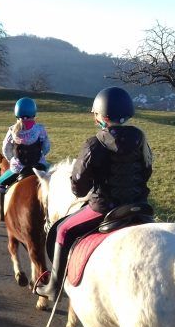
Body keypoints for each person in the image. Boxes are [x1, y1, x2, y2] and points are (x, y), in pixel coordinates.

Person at [35, 86, 153, 302]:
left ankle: (53, 286)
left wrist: (81, 186)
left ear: (102, 115)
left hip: (104, 208)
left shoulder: (94, 143)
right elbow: (146, 171)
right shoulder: (141, 138)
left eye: (95, 113)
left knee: (62, 229)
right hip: (139, 207)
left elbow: (79, 187)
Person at [0, 97, 50, 221]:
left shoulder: (12, 130)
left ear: (16, 112)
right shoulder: (40, 129)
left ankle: (1, 214)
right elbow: (46, 147)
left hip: (18, 169)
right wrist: (41, 155)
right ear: (33, 112)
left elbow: (6, 150)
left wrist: (12, 159)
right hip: (39, 166)